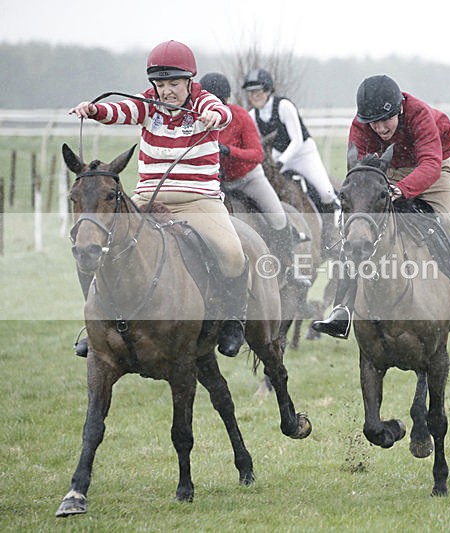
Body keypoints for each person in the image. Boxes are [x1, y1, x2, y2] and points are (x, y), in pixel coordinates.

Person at [69, 40, 247, 358]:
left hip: (198, 200)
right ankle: (94, 324)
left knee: (233, 253)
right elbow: (120, 111)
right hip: (146, 198)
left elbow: (220, 113)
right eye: (160, 84)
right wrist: (94, 110)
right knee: (91, 243)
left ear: (190, 80)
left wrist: (214, 118)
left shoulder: (204, 102)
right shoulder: (149, 103)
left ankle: (234, 321)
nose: (166, 91)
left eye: (173, 83)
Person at [311, 74, 450, 339]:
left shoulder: (419, 114)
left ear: (399, 110)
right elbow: (360, 171)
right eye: (373, 122)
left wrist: (402, 190)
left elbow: (430, 164)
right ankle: (342, 309)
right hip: (388, 172)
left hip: (433, 169)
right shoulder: (361, 125)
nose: (380, 128)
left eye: (385, 120)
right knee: (358, 229)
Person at [198, 72, 308, 288]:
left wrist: (228, 151)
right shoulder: (197, 120)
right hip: (216, 182)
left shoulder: (240, 117)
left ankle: (288, 267)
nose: (210, 110)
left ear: (226, 101)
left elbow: (257, 154)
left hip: (248, 177)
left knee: (278, 218)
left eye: (216, 104)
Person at [241, 68, 340, 215]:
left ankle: (338, 213)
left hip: (303, 154)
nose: (255, 96)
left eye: (258, 91)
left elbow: (297, 140)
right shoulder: (252, 115)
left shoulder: (284, 106)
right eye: (251, 93)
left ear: (268, 90)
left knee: (325, 193)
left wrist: (281, 162)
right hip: (278, 156)